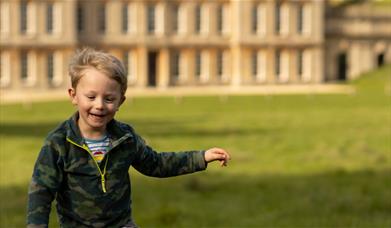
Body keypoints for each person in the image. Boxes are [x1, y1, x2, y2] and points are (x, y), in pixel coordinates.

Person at [26, 48, 231, 227]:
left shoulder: (125, 138)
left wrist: (202, 157)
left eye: (109, 99)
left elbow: (156, 163)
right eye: (91, 97)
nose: (99, 105)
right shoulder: (59, 143)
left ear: (120, 101)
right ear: (73, 95)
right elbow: (41, 191)